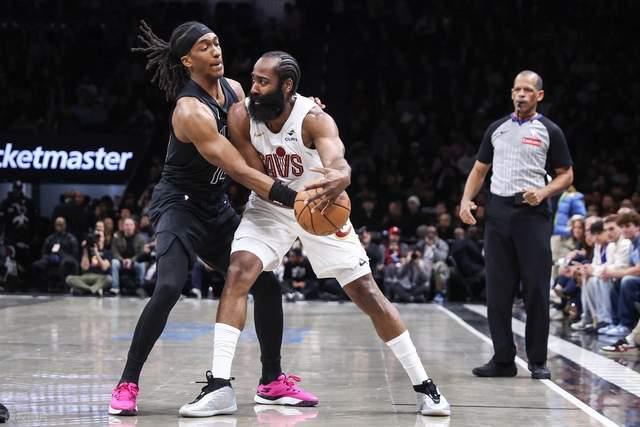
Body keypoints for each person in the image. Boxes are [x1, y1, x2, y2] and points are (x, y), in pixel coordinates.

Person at [179, 51, 450, 417]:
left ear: (287, 86)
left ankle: (424, 386)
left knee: (368, 293)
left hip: (321, 206)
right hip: (272, 204)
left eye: (263, 82)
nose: (253, 88)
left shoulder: (313, 118)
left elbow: (336, 156)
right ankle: (220, 387)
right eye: (253, 79)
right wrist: (290, 198)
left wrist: (341, 174)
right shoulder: (242, 115)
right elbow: (255, 175)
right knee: (239, 271)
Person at [109, 21, 315, 416]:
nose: (216, 50)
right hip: (179, 207)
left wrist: (306, 111)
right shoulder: (189, 110)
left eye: (217, 42)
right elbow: (238, 167)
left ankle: (271, 381)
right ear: (187, 60)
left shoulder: (235, 90)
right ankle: (127, 382)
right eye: (205, 46)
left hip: (215, 206)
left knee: (266, 284)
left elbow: (273, 115)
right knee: (169, 286)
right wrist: (294, 198)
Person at [459, 70, 574, 379]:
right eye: (517, 90)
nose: (521, 94)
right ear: (511, 94)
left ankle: (537, 360)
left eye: (527, 90)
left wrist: (544, 192)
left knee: (535, 288)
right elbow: (479, 169)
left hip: (532, 214)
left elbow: (566, 174)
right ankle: (503, 359)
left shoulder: (550, 130)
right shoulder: (496, 129)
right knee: (497, 290)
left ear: (539, 95)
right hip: (498, 212)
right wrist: (466, 200)